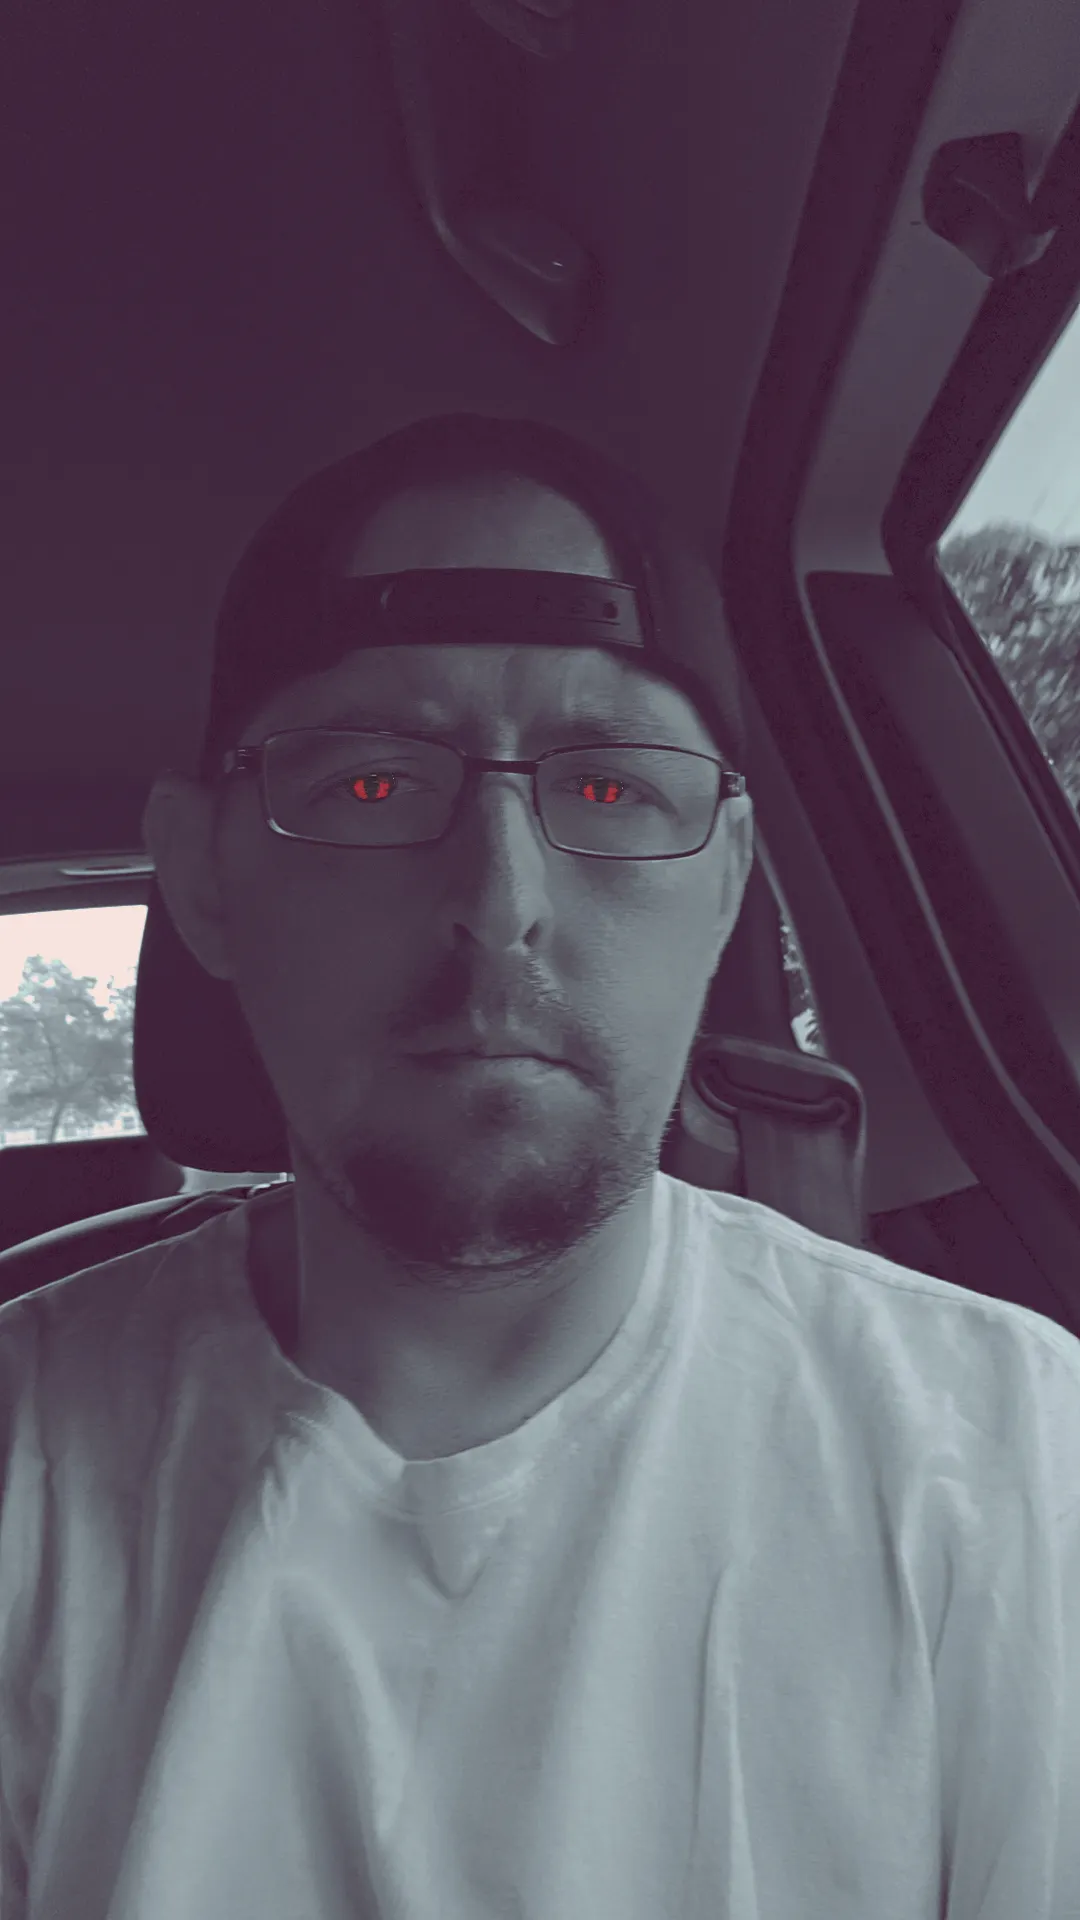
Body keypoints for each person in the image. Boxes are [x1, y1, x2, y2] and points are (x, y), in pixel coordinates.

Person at [2, 414, 1079, 1920]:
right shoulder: (27, 1462)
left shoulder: (1020, 1468)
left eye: (612, 788)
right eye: (370, 787)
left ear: (725, 886)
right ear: (204, 883)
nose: (500, 899)